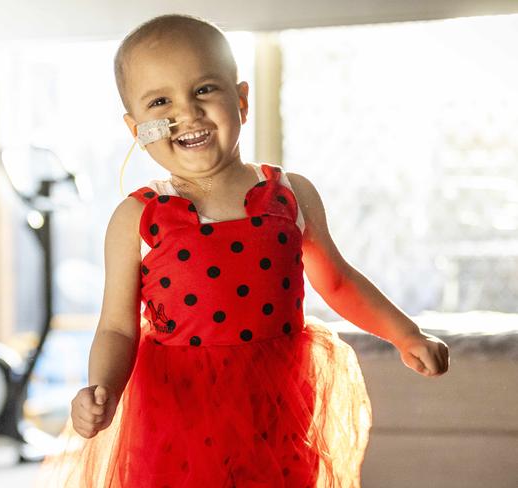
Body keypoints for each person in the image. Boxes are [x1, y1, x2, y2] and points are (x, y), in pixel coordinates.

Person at [35, 13, 450, 488]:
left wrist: (406, 334)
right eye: (160, 101)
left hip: (276, 401)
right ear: (136, 129)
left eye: (205, 90)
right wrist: (102, 387)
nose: (187, 113)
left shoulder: (290, 195)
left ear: (242, 100)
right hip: (179, 412)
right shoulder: (139, 217)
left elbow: (337, 280)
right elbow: (117, 327)